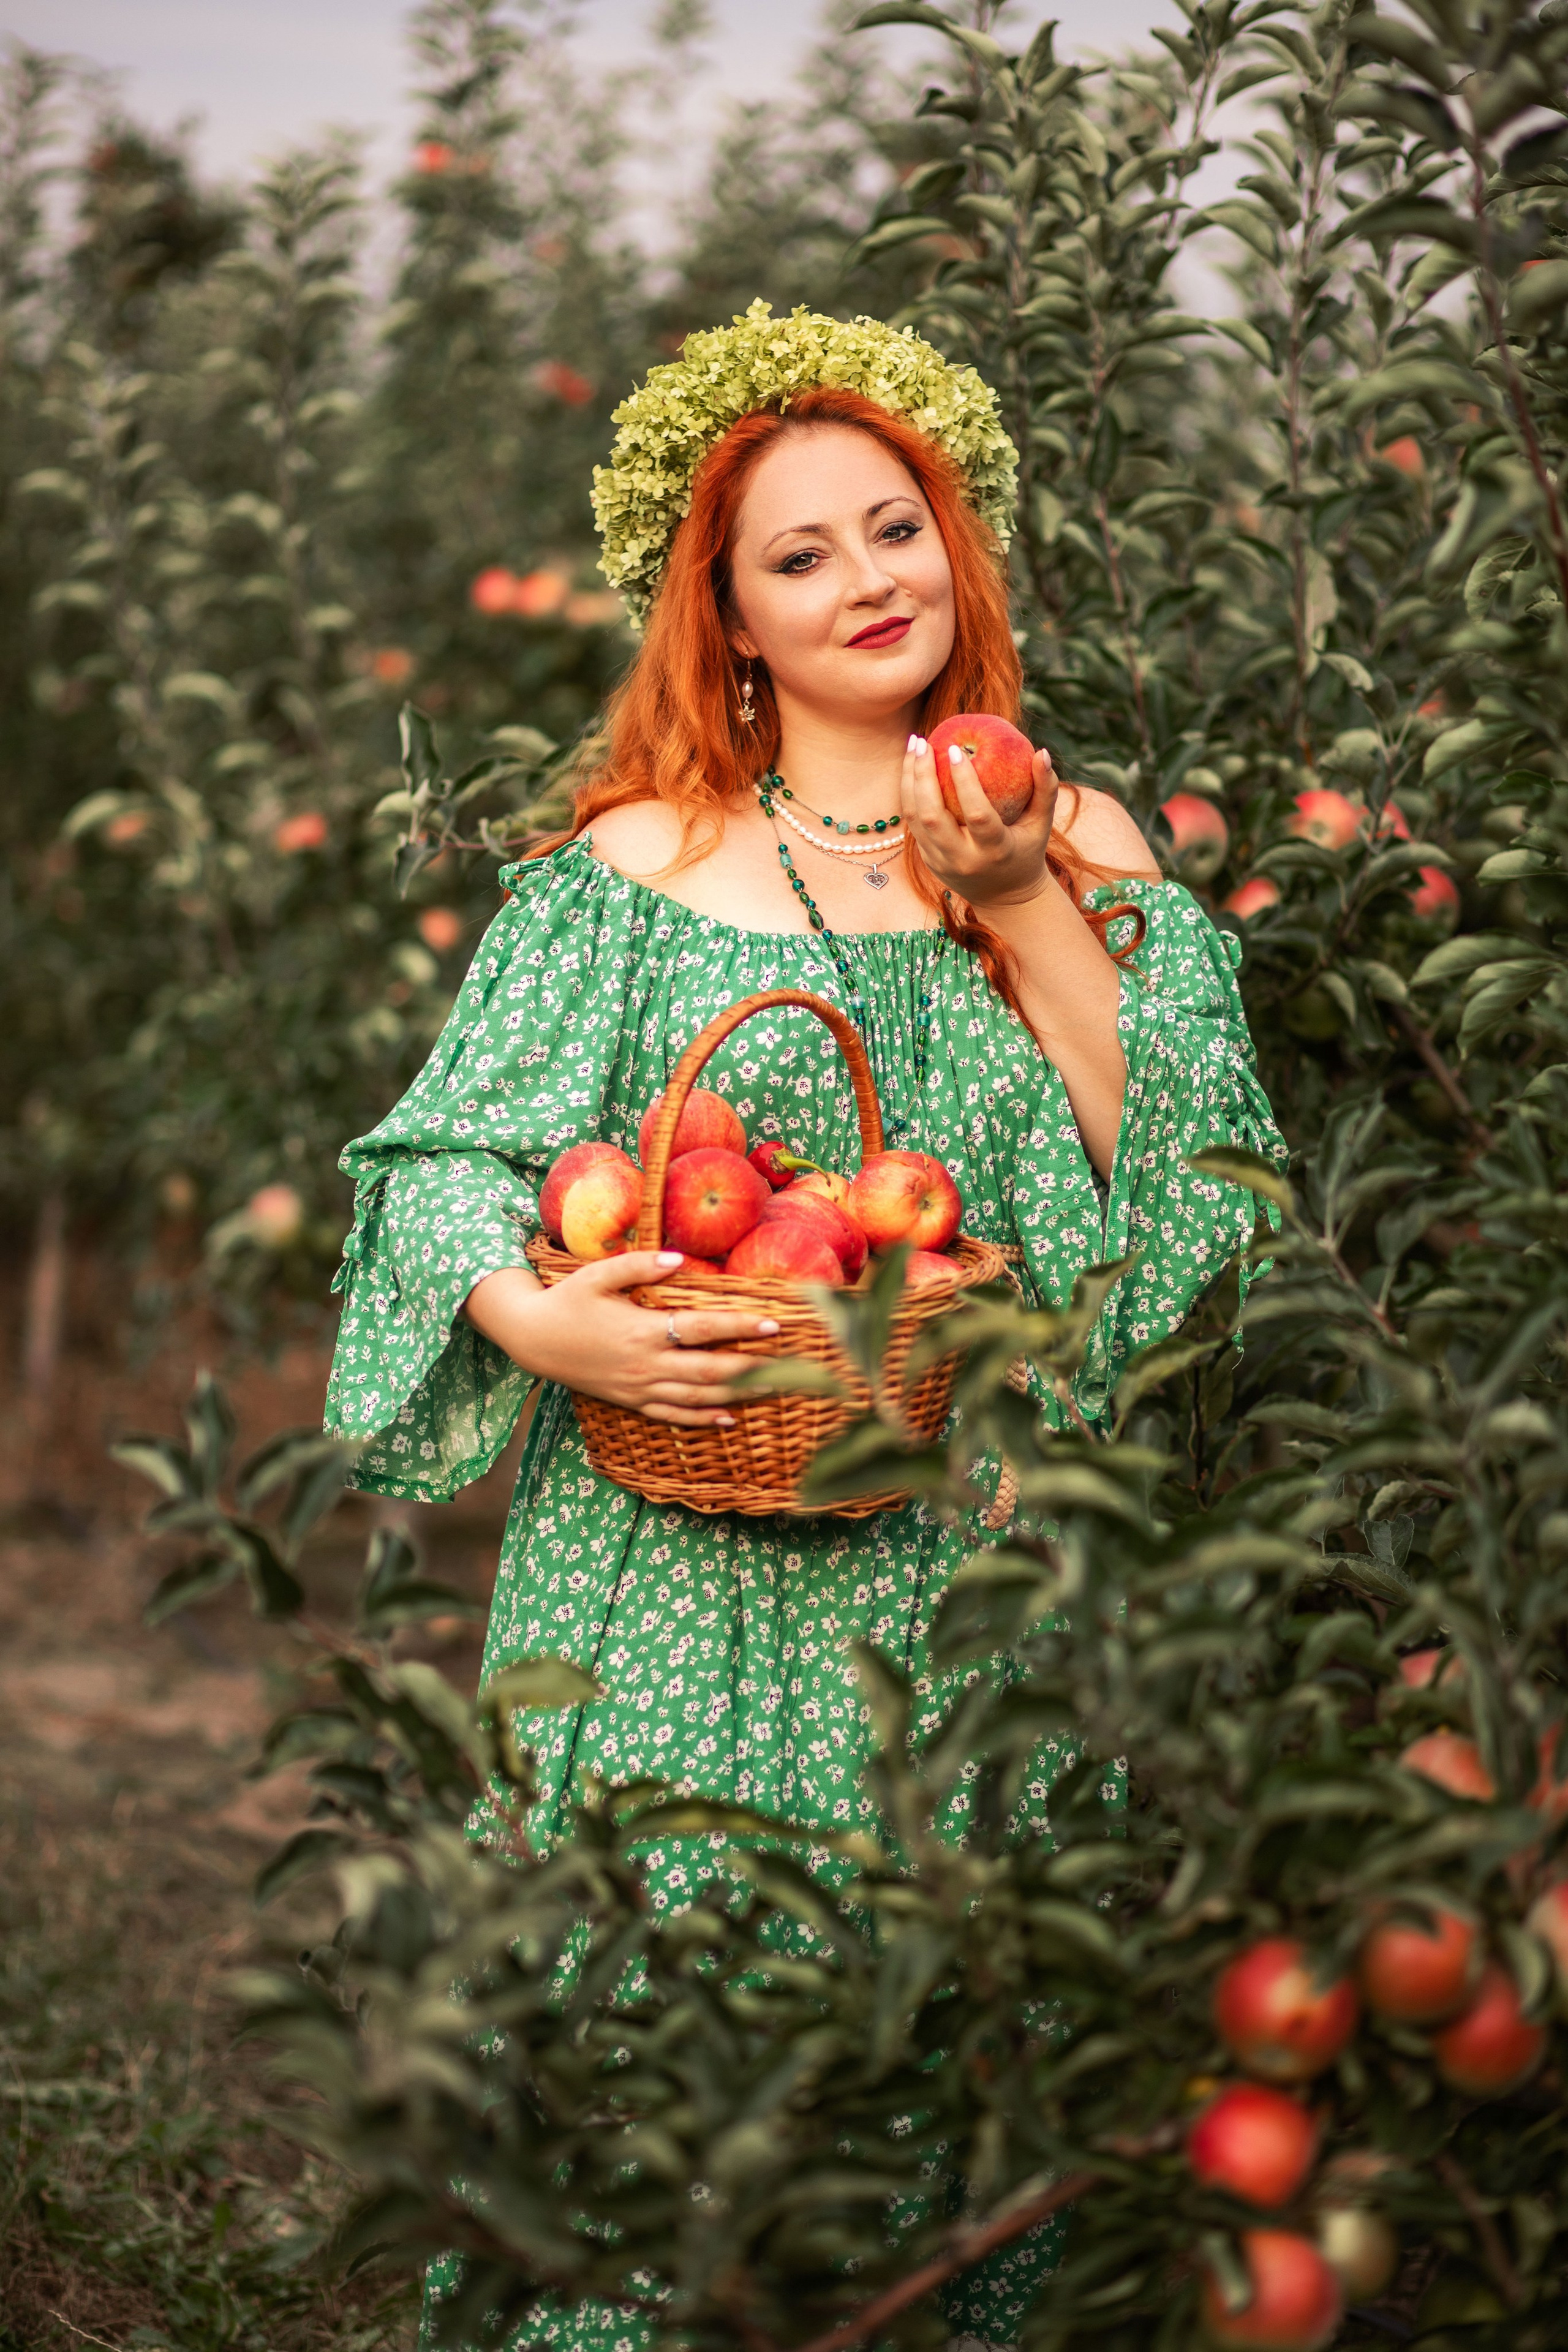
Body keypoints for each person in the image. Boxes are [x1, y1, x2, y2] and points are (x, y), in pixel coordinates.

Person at [324, 303, 1285, 2350]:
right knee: (650, 2089)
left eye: (896, 528)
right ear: (730, 617)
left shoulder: (1082, 839)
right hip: (654, 1575)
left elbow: (1200, 1195)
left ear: (960, 543)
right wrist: (540, 1325)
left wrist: (1021, 895)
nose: (870, 582)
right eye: (802, 555)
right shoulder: (631, 870)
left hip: (974, 1582)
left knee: (941, 2087)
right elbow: (437, 1164)